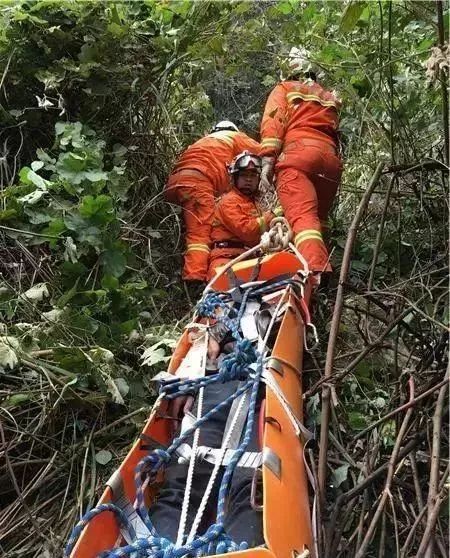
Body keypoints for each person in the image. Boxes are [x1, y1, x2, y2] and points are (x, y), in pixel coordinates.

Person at [259, 47, 343, 271]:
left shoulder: (285, 88)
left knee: (303, 220)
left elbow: (273, 123)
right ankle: (317, 267)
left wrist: (267, 160)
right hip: (330, 159)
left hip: (299, 155)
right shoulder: (328, 96)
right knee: (318, 221)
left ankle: (316, 272)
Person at [164, 122, 260, 282]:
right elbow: (265, 151)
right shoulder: (234, 137)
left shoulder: (202, 142)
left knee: (189, 228)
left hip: (175, 182)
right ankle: (194, 277)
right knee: (200, 234)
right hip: (198, 182)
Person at [207, 151, 276, 280]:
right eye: (244, 175)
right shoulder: (228, 202)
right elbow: (247, 231)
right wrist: (272, 215)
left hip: (247, 260)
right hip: (226, 262)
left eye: (253, 176)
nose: (248, 180)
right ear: (235, 178)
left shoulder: (254, 204)